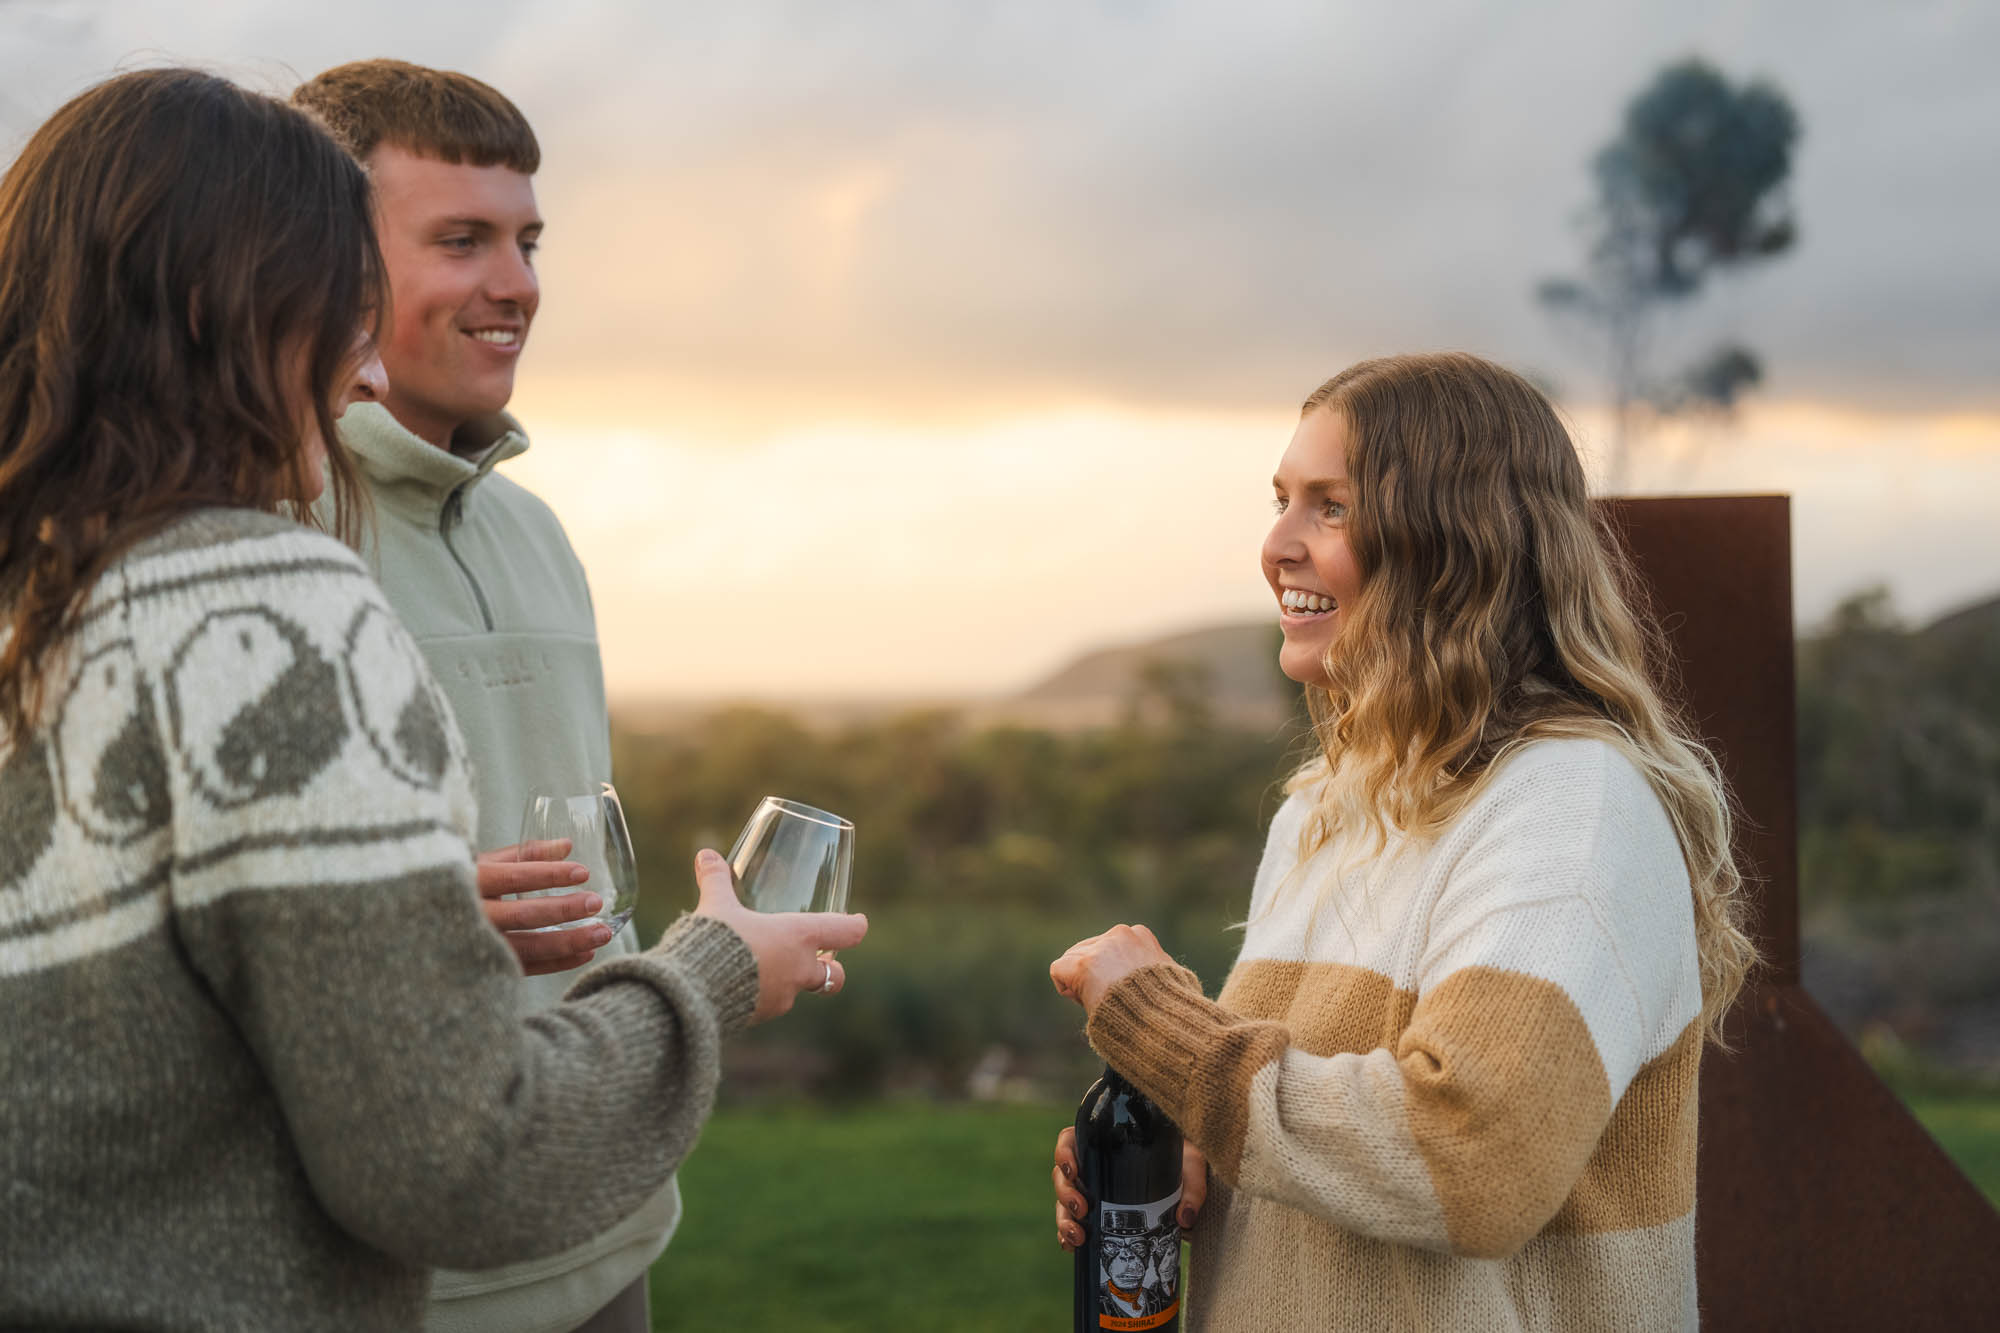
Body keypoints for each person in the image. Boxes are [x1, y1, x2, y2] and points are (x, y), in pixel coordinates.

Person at [0, 68, 863, 1331]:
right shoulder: (272, 605)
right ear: (220, 303)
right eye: (339, 290)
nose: (357, 367)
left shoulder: (65, 579)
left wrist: (372, 915)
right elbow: (455, 1158)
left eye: (524, 240)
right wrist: (714, 974)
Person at [1047, 353, 1756, 1330]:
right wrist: (1196, 1141)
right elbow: (1309, 1107)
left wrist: (1167, 1032)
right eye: (1280, 499)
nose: (1276, 545)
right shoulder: (1325, 808)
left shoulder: (1571, 804)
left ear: (1452, 543)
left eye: (1328, 507)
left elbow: (1473, 1154)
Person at [288, 60, 677, 1332]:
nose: (516, 284)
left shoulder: (538, 533)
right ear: (322, 265)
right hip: (402, 1280)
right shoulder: (255, 535)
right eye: (460, 239)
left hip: (606, 1225)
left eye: (525, 239)